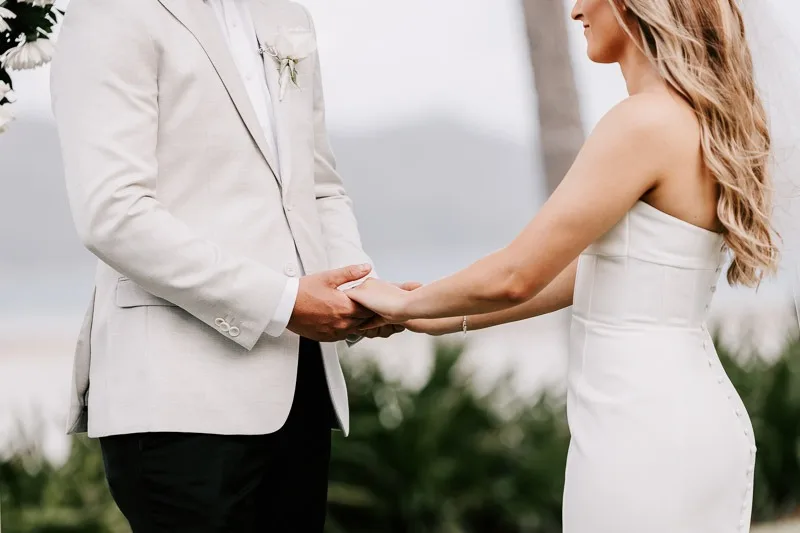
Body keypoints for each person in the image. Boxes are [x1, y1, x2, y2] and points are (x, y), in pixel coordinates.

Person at [347, 0, 780, 531]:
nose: (576, 10)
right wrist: (425, 315)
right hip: (688, 421)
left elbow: (516, 275)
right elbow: (580, 276)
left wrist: (404, 300)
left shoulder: (642, 121)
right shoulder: (692, 120)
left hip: (641, 434)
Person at [49, 0, 408, 531]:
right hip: (177, 394)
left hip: (299, 387)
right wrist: (283, 303)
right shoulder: (111, 13)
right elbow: (114, 214)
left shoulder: (287, 16)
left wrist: (359, 289)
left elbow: (319, 187)